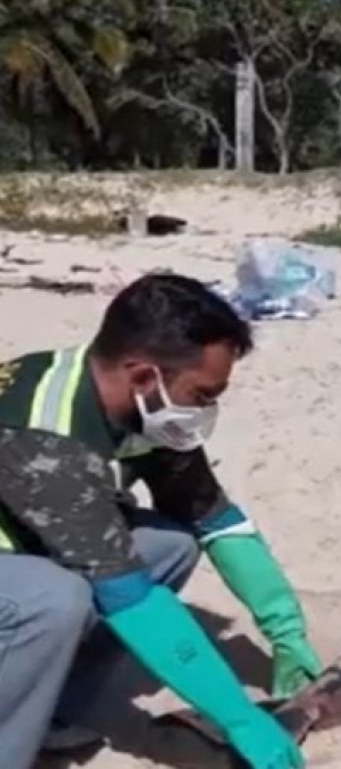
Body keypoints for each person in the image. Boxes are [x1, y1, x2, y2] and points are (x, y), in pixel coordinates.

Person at [0, 273, 321, 769]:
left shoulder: (137, 405)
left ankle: (58, 706)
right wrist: (239, 718)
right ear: (144, 376)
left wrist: (286, 631)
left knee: (170, 545)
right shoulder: (44, 437)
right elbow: (125, 593)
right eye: (203, 394)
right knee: (54, 600)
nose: (207, 410)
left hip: (19, 548)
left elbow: (210, 517)